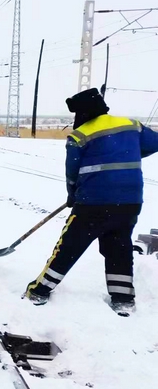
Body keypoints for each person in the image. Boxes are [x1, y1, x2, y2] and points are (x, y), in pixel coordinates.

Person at [26, 88, 158, 315]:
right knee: (119, 246)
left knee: (69, 246)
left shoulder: (79, 136)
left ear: (82, 113)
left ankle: (39, 291)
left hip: (93, 202)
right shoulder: (131, 125)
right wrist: (128, 153)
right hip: (130, 201)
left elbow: (72, 172)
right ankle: (123, 299)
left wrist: (72, 193)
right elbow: (154, 143)